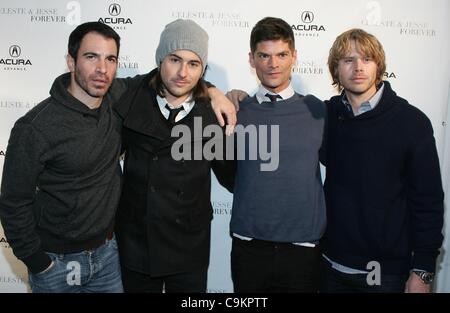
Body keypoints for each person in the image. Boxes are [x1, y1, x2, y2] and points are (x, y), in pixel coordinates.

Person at [0, 21, 235, 293]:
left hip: (110, 255)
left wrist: (216, 93)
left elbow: (181, 79)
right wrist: (38, 262)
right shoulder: (38, 126)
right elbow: (13, 201)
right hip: (62, 260)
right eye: (91, 57)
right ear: (71, 61)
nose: (102, 69)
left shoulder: (119, 97)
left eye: (110, 59)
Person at [113, 19, 234, 293]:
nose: (183, 72)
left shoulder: (214, 115)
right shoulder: (131, 95)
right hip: (135, 244)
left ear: (203, 69)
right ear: (160, 59)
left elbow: (233, 177)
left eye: (194, 64)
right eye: (174, 59)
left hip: (188, 248)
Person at [319, 28, 444, 293]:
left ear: (379, 66)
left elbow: (428, 203)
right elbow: (280, 107)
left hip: (386, 275)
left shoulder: (412, 122)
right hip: (330, 268)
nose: (358, 68)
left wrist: (422, 272)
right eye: (348, 60)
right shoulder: (325, 116)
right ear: (336, 69)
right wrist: (229, 95)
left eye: (367, 59)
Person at [227, 17, 326, 293]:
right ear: (252, 59)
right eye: (264, 56)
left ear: (294, 56)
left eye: (282, 55)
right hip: (249, 248)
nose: (273, 64)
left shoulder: (318, 111)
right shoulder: (235, 111)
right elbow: (225, 170)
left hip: (302, 251)